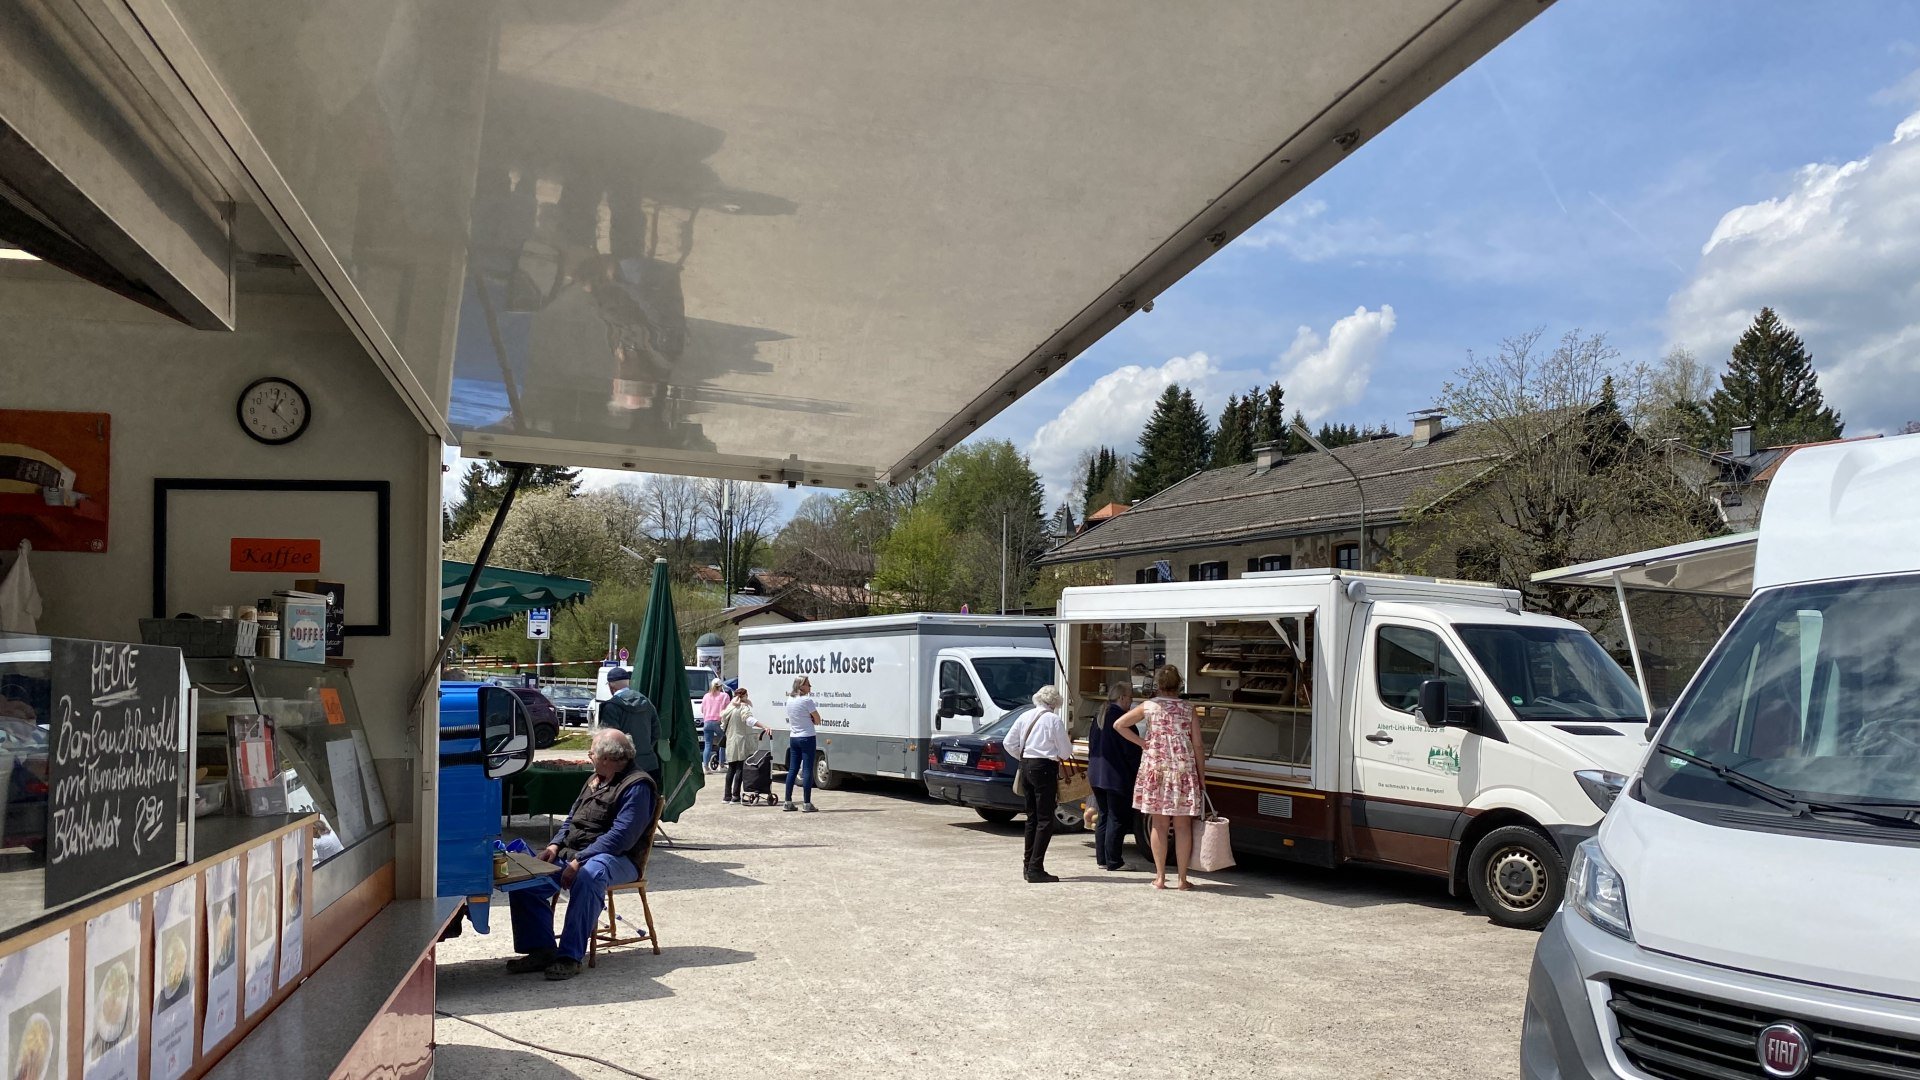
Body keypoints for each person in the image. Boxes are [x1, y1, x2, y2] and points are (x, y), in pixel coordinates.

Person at [505, 728, 657, 981]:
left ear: (608, 757)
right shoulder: (596, 778)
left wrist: (578, 860)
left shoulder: (637, 786)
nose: (589, 756)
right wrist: (554, 846)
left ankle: (570, 957)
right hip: (575, 852)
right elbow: (572, 820)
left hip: (618, 858)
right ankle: (541, 949)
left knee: (590, 875)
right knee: (525, 878)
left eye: (592, 752)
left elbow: (621, 837)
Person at [1114, 664, 1207, 890]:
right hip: (1183, 769)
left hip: (1155, 768)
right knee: (1183, 826)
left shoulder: (1149, 706)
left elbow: (1119, 724)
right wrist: (1201, 777)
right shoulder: (1188, 708)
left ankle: (1160, 877)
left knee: (1159, 825)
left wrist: (1143, 743)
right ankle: (1182, 879)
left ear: (1157, 684)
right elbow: (1198, 744)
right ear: (1179, 684)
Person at [1003, 685, 1077, 883]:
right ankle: (1036, 867)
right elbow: (1065, 752)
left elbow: (1008, 743)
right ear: (1054, 703)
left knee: (1032, 818)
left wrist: (1024, 756)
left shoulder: (1025, 716)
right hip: (1044, 768)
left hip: (1026, 764)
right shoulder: (1053, 720)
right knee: (1045, 820)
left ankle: (1028, 865)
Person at [1087, 681, 1141, 871]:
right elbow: (1131, 750)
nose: (1131, 702)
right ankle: (1114, 861)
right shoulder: (1122, 719)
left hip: (1096, 773)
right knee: (1117, 818)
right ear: (1123, 697)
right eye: (1131, 698)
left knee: (1103, 815)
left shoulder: (1100, 715)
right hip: (1116, 775)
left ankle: (1102, 859)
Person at [596, 668, 661, 787]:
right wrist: (644, 749)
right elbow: (657, 732)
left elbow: (608, 742)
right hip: (650, 765)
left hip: (622, 770)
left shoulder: (611, 707)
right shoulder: (647, 703)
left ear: (611, 686)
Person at [783, 676, 824, 812]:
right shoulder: (807, 700)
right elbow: (817, 720)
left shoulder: (789, 699)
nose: (810, 687)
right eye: (808, 684)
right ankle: (807, 803)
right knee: (807, 769)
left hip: (794, 737)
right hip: (807, 737)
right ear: (801, 686)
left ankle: (787, 801)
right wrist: (812, 719)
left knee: (793, 769)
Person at [721, 685, 768, 803]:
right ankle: (735, 796)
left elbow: (722, 725)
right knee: (740, 768)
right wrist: (764, 726)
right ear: (744, 696)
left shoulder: (729, 708)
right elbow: (749, 720)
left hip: (731, 741)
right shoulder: (743, 707)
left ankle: (727, 796)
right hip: (741, 741)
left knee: (731, 768)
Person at [700, 678, 730, 772]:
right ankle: (721, 765)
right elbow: (728, 710)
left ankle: (705, 767)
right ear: (720, 686)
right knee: (722, 743)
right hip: (718, 722)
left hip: (707, 722)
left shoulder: (706, 696)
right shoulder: (724, 696)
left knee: (708, 744)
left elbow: (702, 710)